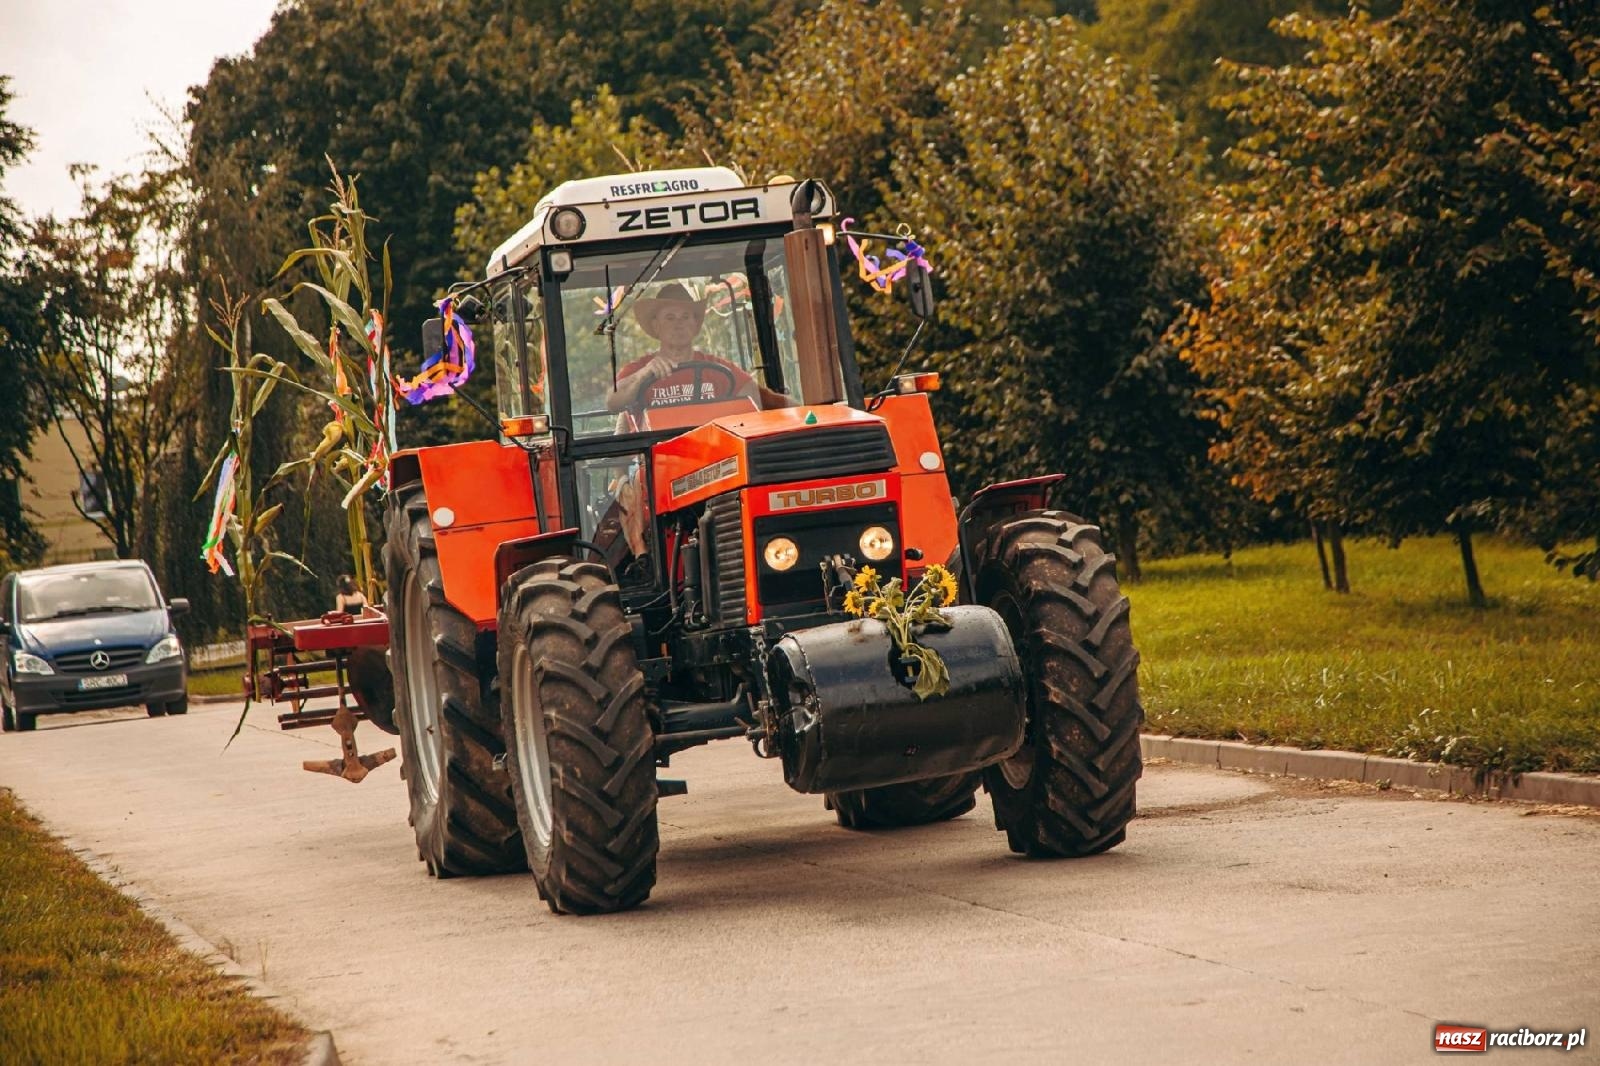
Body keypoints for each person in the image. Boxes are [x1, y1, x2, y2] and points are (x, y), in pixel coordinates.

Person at [605, 282, 762, 417]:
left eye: (685, 317)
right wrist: (642, 375)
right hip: (656, 449)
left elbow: (759, 401)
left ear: (695, 324)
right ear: (656, 325)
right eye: (670, 318)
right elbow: (612, 402)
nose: (678, 324)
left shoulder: (718, 369)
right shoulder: (640, 369)